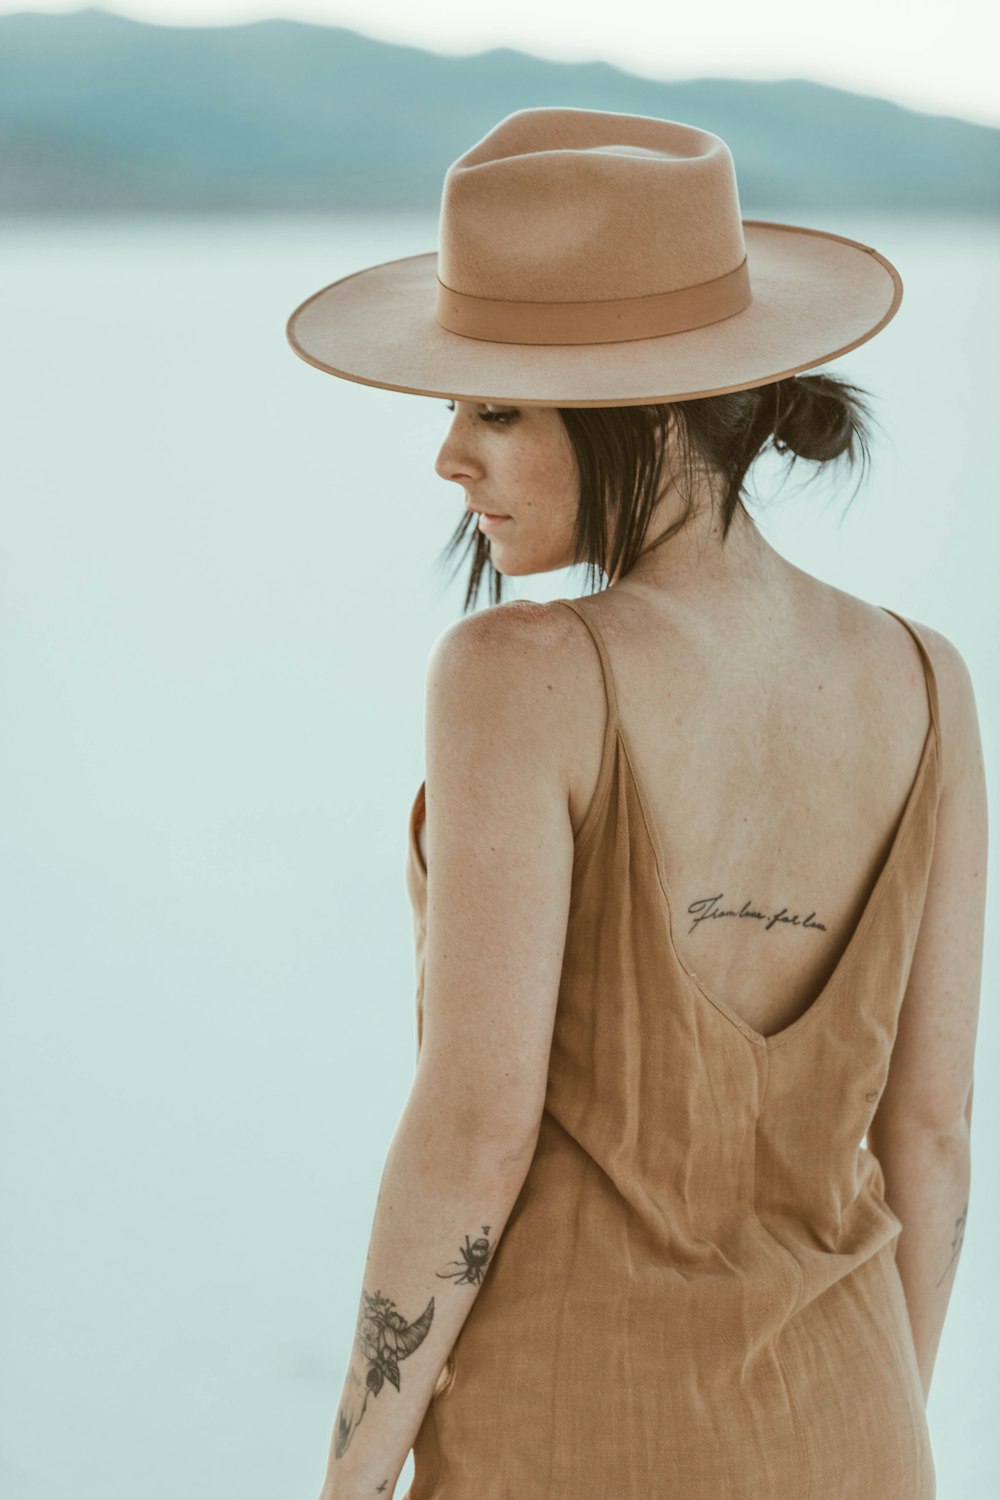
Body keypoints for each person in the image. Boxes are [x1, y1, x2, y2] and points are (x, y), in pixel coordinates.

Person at [286, 107, 986, 1500]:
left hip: (571, 1430)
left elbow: (475, 1130)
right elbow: (933, 1136)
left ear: (649, 411)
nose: (448, 458)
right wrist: (856, 1425)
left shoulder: (522, 673)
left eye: (495, 408)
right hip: (856, 1428)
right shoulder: (929, 680)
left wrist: (353, 1472)